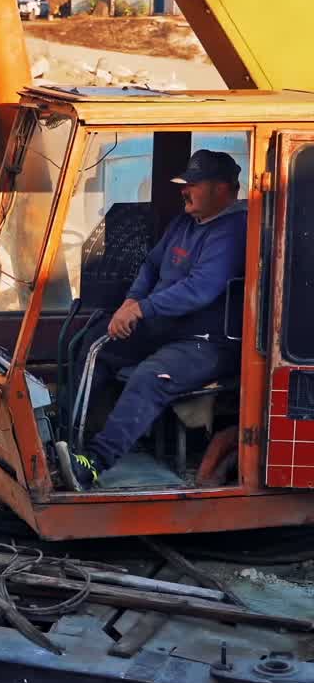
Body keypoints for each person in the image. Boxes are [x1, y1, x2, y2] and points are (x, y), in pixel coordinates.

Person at [65, 149, 247, 489]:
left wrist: (141, 310)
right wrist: (131, 300)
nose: (184, 190)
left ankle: (93, 463)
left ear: (222, 188)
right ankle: (68, 443)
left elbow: (200, 289)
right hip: (164, 326)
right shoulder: (185, 222)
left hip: (207, 343)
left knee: (150, 378)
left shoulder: (235, 229)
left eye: (193, 185)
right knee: (95, 342)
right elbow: (151, 264)